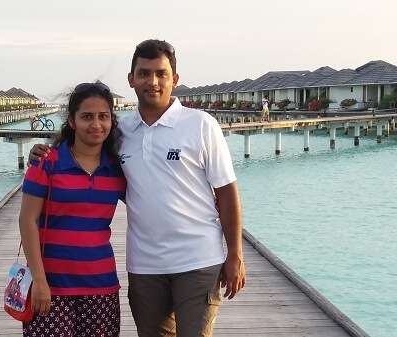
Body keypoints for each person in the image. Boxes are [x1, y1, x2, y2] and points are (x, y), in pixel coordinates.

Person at [30, 39, 246, 337]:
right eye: (144, 73)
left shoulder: (201, 125)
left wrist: (235, 254)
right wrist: (44, 154)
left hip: (198, 259)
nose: (152, 81)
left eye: (161, 73)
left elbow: (227, 194)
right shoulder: (121, 132)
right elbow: (84, 148)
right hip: (145, 265)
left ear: (175, 79)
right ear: (132, 79)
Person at [19, 82, 125, 337]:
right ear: (72, 121)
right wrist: (40, 282)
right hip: (51, 287)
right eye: (87, 117)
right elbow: (27, 221)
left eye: (104, 117)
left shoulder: (117, 168)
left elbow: (151, 202)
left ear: (112, 121)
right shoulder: (47, 163)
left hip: (102, 286)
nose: (96, 124)